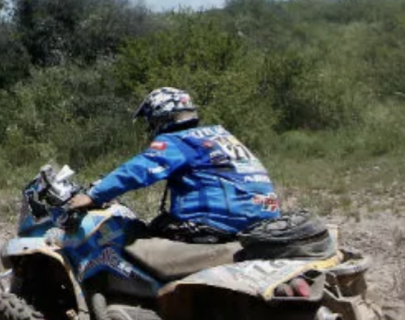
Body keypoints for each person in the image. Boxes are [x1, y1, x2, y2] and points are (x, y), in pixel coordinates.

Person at [67, 87, 281, 244]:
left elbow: (138, 170)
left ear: (160, 117)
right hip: (263, 216)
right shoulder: (222, 135)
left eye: (150, 120)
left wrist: (94, 195)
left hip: (220, 221)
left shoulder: (178, 141)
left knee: (132, 241)